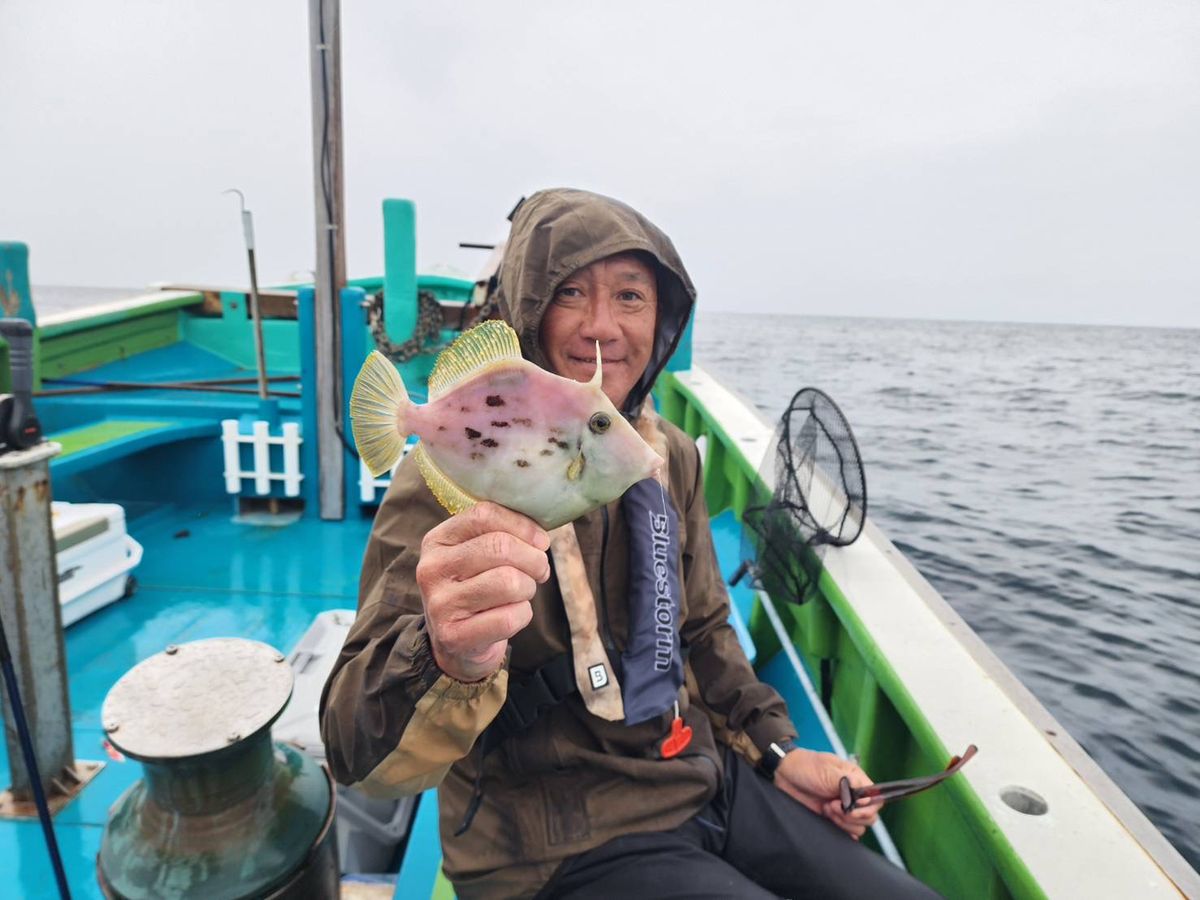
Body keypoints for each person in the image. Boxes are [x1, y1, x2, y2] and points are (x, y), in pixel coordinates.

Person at [320, 188, 940, 899]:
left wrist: (776, 751)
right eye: (571, 293)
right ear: (526, 308)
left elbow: (702, 625)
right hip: (553, 839)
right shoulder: (454, 482)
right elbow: (352, 749)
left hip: (699, 773)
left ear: (663, 319)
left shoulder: (668, 454)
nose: (602, 327)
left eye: (631, 298)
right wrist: (444, 652)